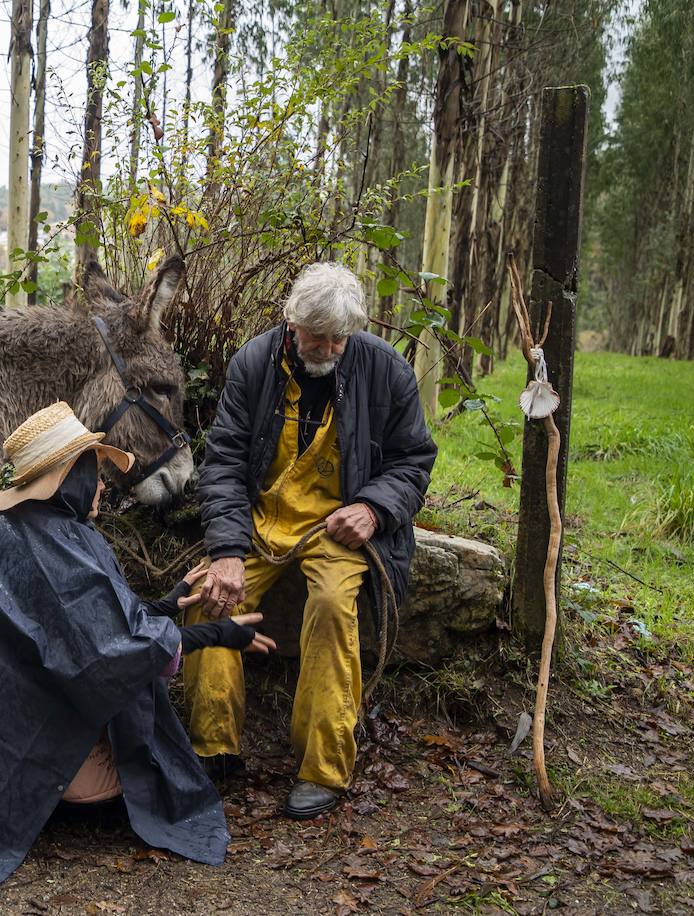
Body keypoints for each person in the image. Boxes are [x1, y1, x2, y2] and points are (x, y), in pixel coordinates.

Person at [0, 401, 275, 884]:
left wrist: (169, 602)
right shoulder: (54, 545)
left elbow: (89, 629)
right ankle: (58, 791)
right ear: (67, 477)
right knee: (129, 713)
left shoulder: (14, 530)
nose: (101, 488)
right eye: (93, 473)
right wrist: (219, 633)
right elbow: (114, 655)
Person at [189, 262, 437, 820]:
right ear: (290, 323)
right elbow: (224, 462)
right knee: (209, 596)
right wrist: (226, 551)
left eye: (337, 339)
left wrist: (374, 509)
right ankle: (214, 751)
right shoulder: (254, 362)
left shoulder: (386, 369)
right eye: (314, 336)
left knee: (329, 605)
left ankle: (321, 767)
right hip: (260, 520)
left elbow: (413, 460)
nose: (325, 348)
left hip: (337, 526)